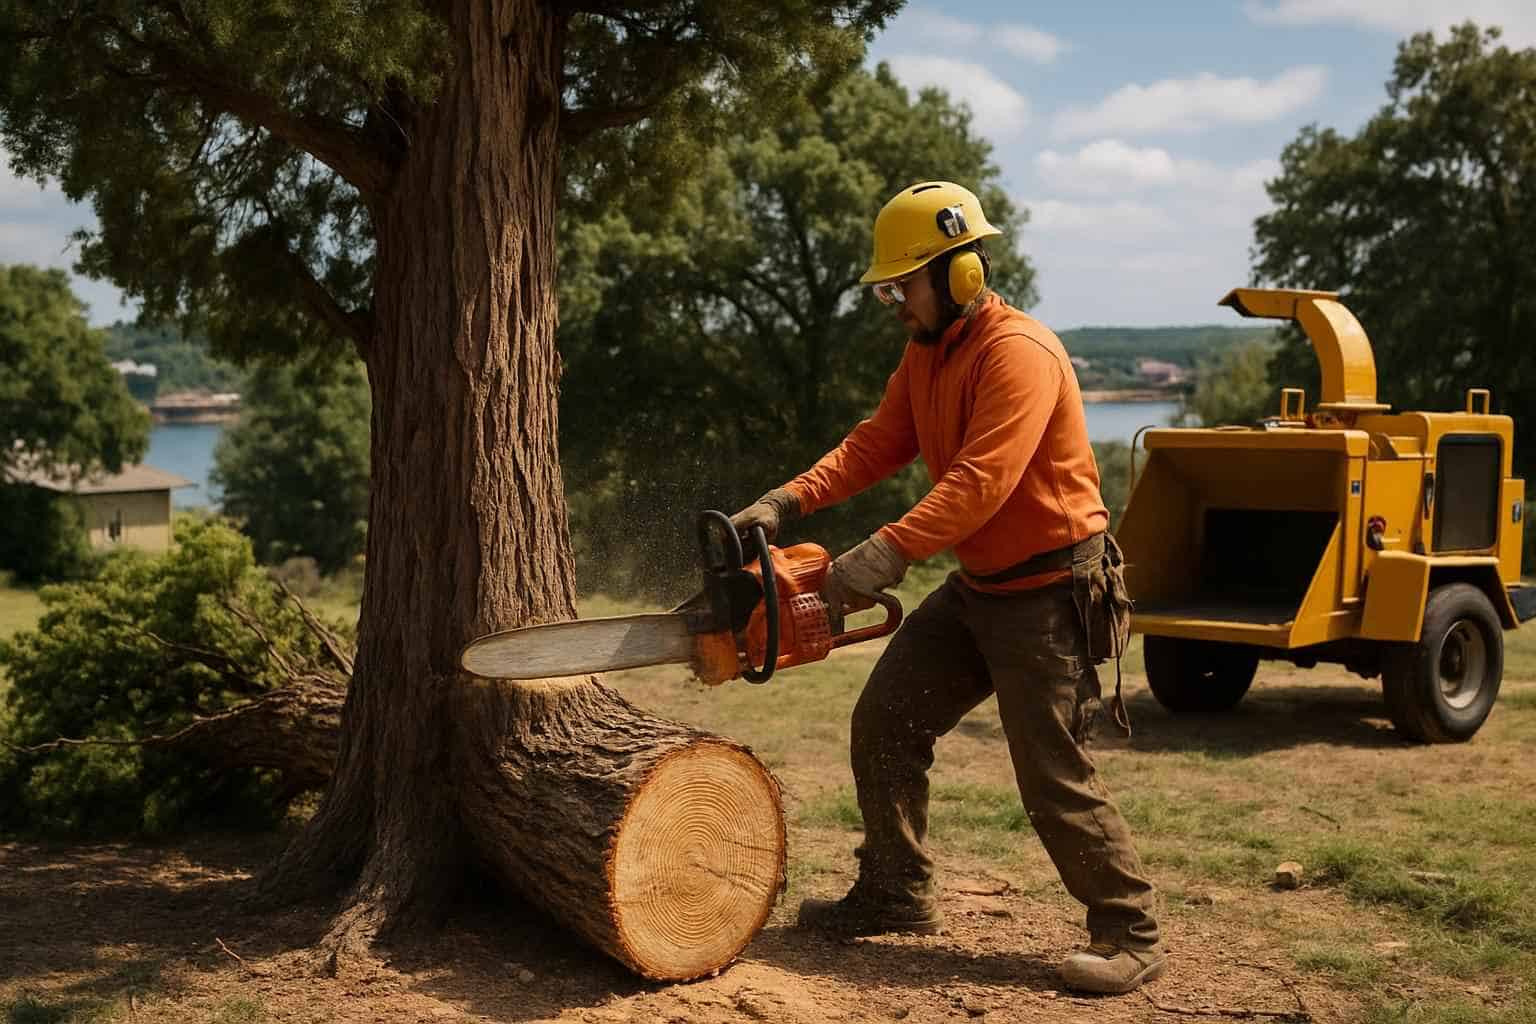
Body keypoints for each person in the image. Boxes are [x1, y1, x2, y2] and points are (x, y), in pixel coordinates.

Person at [730, 181, 1165, 995]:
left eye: (902, 285)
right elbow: (876, 444)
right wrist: (790, 499)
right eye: (887, 289)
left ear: (961, 272)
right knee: (887, 719)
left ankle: (1130, 930)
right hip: (981, 586)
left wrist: (878, 557)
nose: (894, 303)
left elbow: (980, 482)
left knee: (1050, 768)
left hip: (1049, 589)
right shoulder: (927, 353)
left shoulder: (1019, 354)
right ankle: (896, 893)